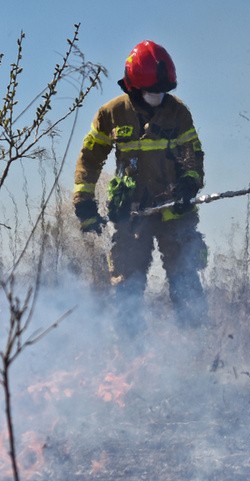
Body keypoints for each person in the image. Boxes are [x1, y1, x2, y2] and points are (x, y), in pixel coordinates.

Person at [72, 40, 208, 336]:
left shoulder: (178, 113)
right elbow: (90, 157)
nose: (157, 98)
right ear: (133, 88)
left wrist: (189, 182)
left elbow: (193, 154)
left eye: (162, 92)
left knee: (185, 279)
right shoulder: (112, 114)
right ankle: (131, 354)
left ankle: (196, 348)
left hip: (175, 211)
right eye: (151, 92)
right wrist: (84, 200)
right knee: (127, 284)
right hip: (131, 214)